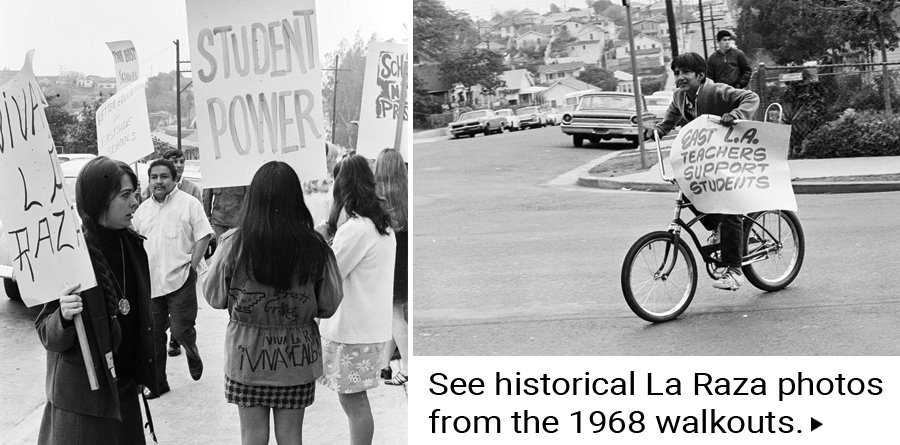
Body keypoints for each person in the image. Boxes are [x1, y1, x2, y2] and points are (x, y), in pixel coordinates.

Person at [203, 161, 343, 445]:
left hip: (247, 357)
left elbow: (214, 297)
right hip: (296, 359)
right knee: (292, 439)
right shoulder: (316, 245)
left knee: (252, 439)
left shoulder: (233, 243)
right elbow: (329, 303)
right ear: (295, 198)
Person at [36, 156, 160, 444]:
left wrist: (143, 371)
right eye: (126, 195)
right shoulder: (70, 253)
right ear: (100, 200)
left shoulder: (134, 246)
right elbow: (47, 332)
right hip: (84, 402)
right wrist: (63, 317)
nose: (135, 203)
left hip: (125, 392)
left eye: (135, 193)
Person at [654, 52, 760, 291]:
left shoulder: (716, 91)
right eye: (676, 73)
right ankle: (718, 227)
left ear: (701, 75)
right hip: (707, 160)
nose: (680, 77)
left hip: (733, 155)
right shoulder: (680, 96)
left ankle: (734, 270)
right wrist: (659, 130)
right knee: (688, 187)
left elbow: (751, 97)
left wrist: (735, 115)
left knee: (729, 206)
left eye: (685, 73)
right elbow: (671, 116)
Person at [318, 154, 396, 445]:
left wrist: (321, 235)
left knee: (353, 402)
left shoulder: (356, 229)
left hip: (353, 330)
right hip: (367, 326)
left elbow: (329, 271)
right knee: (353, 400)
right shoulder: (379, 224)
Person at [132, 159, 213, 398]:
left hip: (181, 279)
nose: (159, 181)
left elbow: (204, 236)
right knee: (154, 336)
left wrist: (193, 266)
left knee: (180, 330)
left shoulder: (189, 204)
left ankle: (191, 350)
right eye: (154, 176)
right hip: (151, 283)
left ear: (174, 179)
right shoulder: (142, 210)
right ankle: (158, 384)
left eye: (164, 176)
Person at [374, 148, 409, 386]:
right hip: (406, 260)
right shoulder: (407, 195)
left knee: (394, 315)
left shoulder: (378, 200)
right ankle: (383, 366)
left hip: (391, 262)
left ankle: (407, 367)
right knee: (393, 315)